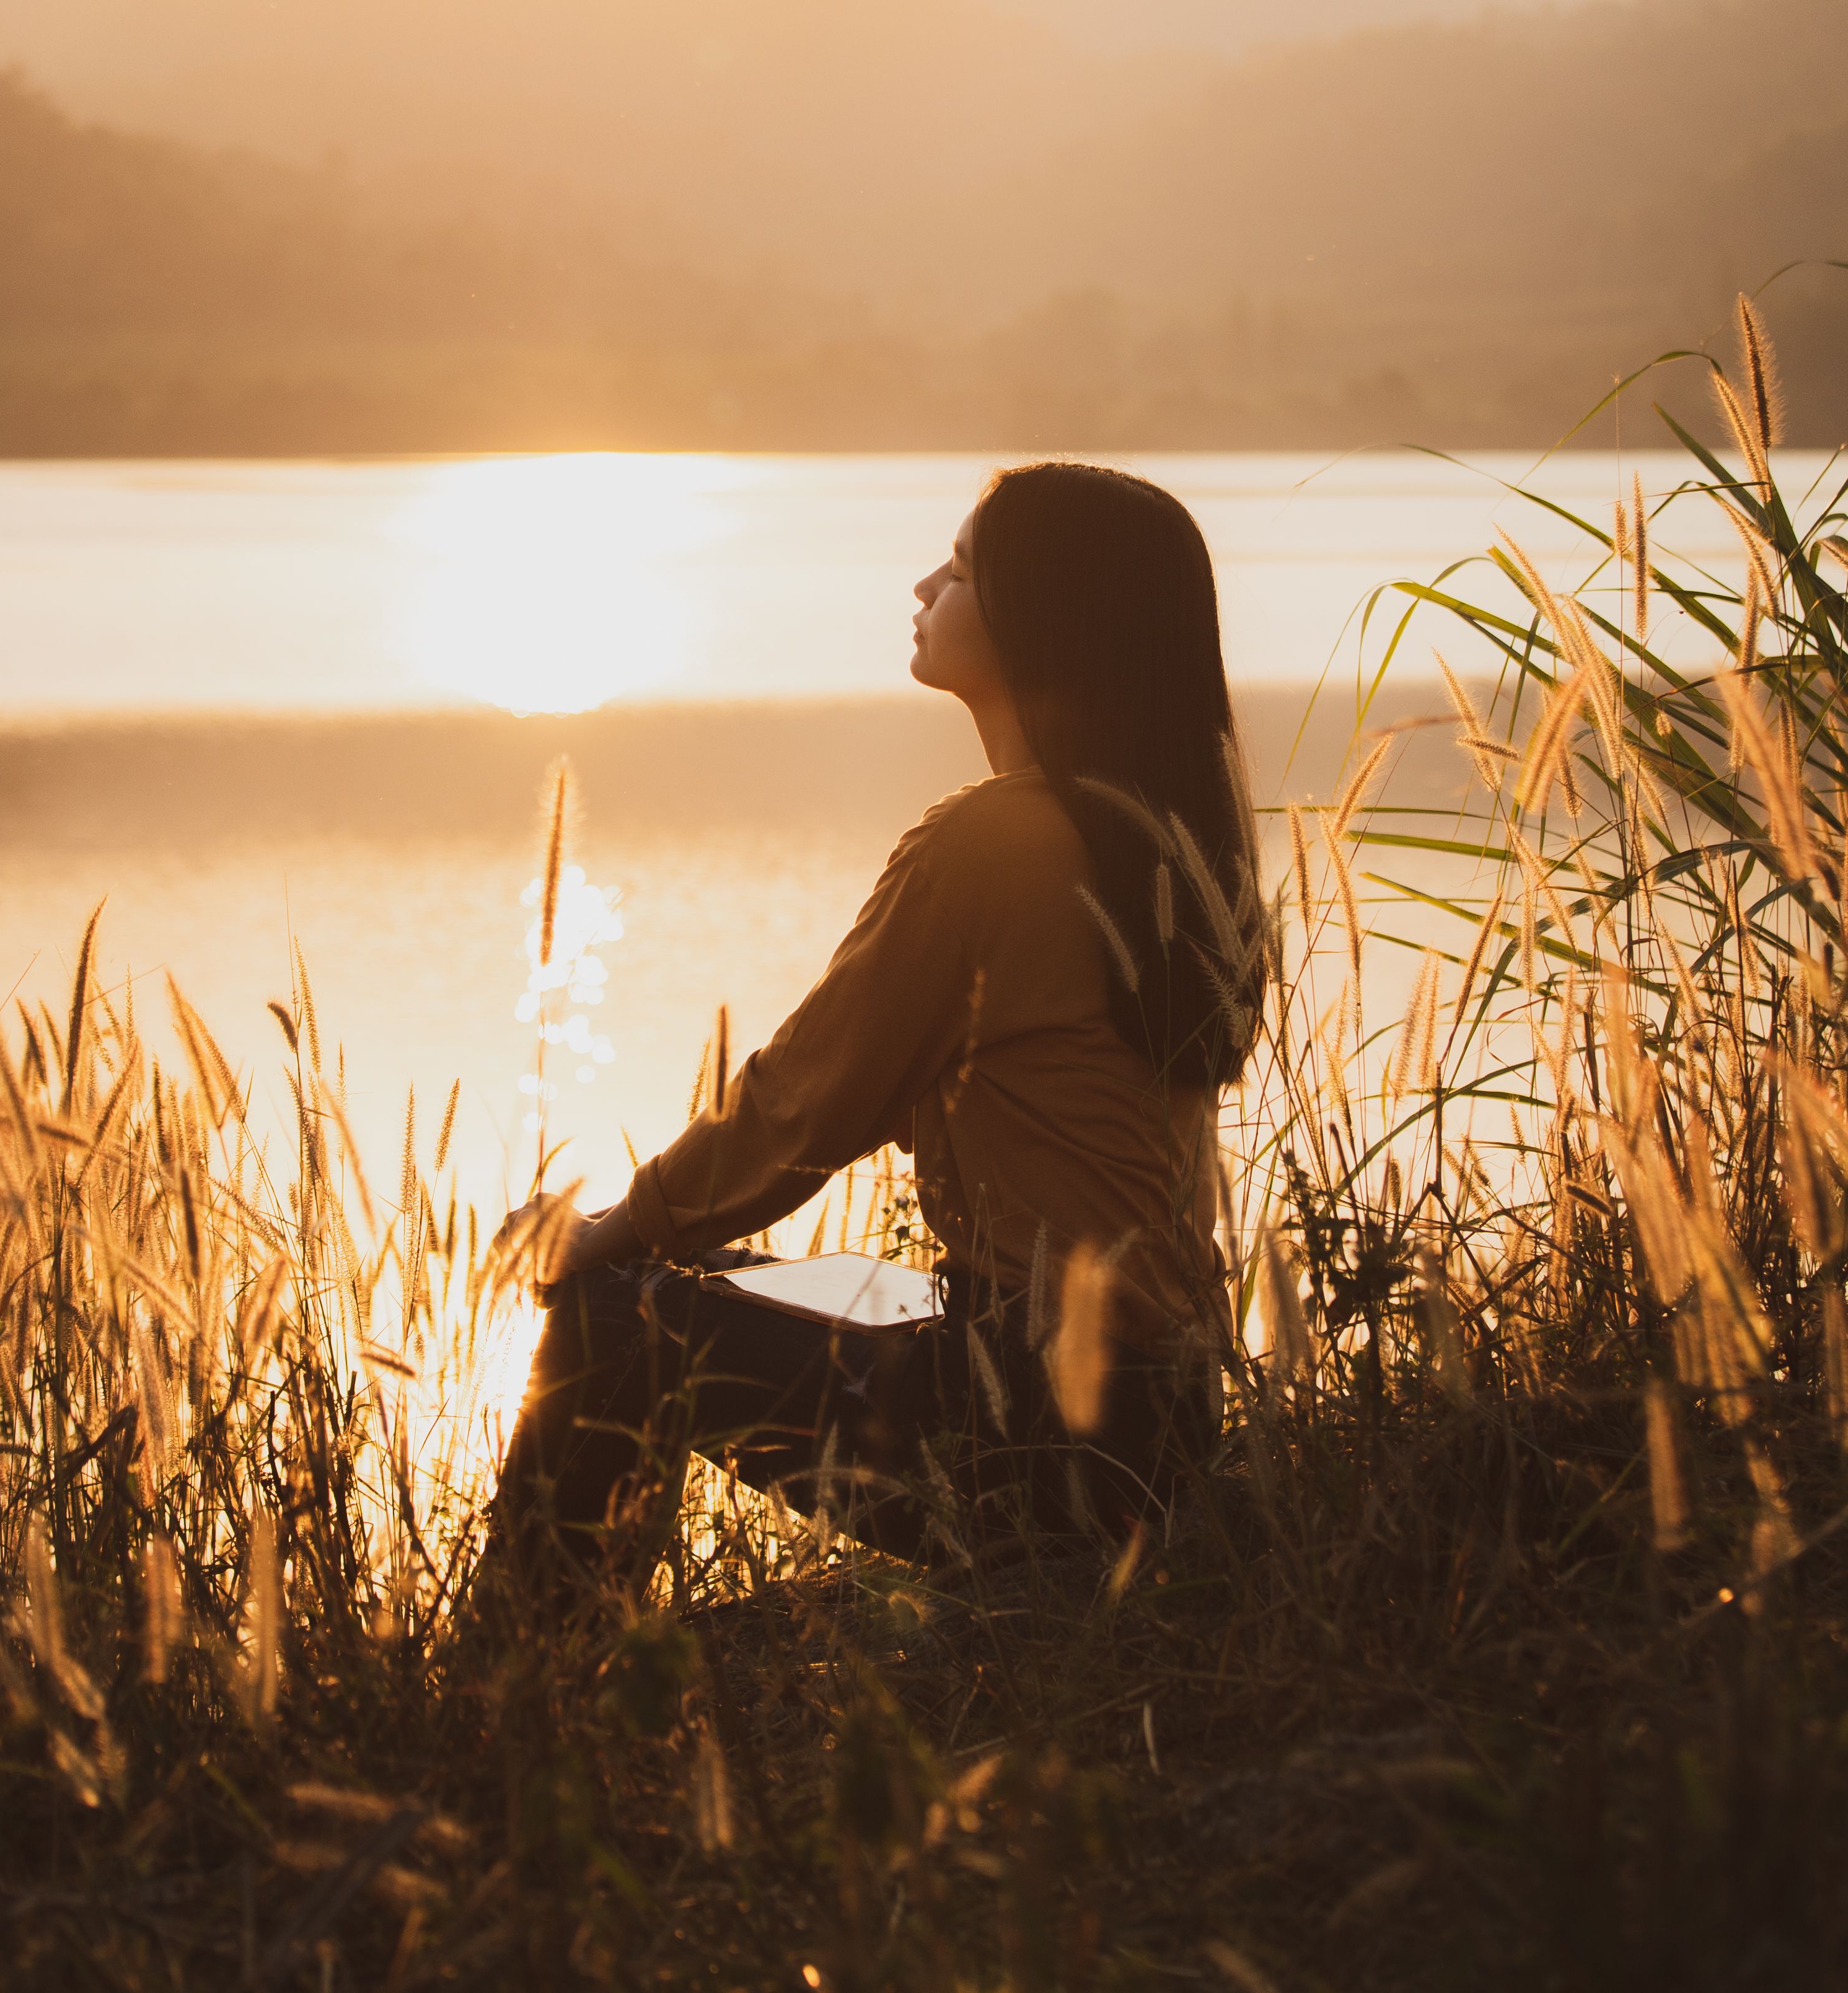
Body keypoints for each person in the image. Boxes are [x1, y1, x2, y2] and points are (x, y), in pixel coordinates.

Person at [488, 461, 1267, 1583]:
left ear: (1041, 614)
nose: (921, 586)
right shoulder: (1165, 842)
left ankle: (524, 1681)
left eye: (957, 569)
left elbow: (798, 1110)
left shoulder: (996, 844)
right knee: (713, 1272)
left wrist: (604, 1233)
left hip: (1034, 1433)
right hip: (1161, 1420)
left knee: (618, 1315)